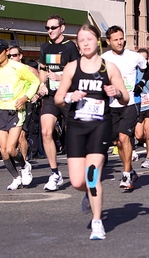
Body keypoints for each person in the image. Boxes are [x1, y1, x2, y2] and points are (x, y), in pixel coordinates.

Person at [55, 24, 129, 240]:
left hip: (100, 125)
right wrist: (70, 97)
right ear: (78, 45)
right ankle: (89, 194)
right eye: (81, 40)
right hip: (76, 126)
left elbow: (124, 97)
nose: (85, 43)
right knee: (78, 182)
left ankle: (97, 222)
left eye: (89, 38)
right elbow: (59, 97)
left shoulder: (109, 68)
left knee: (91, 174)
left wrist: (115, 92)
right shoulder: (71, 67)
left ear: (97, 41)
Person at [0, 39, 39, 189]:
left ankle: (25, 166)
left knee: (11, 148)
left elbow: (34, 82)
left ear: (7, 51)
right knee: (3, 151)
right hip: (2, 110)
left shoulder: (18, 67)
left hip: (16, 110)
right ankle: (16, 178)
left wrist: (25, 98)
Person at [101, 25, 148, 190]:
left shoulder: (134, 56)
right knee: (118, 142)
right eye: (116, 40)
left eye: (121, 39)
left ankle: (127, 174)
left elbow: (147, 69)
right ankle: (131, 171)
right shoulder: (103, 58)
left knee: (123, 137)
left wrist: (141, 83)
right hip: (112, 104)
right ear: (108, 41)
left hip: (131, 102)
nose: (120, 42)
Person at [38, 14, 81, 191]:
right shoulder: (45, 47)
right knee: (46, 131)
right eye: (47, 28)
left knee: (75, 134)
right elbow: (42, 68)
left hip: (68, 95)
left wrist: (61, 76)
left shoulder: (70, 46)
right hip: (50, 96)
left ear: (62, 28)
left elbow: (78, 70)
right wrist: (42, 84)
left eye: (53, 28)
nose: (50, 31)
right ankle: (55, 173)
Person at [8, 45, 40, 162]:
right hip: (11, 105)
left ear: (20, 56)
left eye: (14, 55)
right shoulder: (7, 71)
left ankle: (25, 162)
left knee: (22, 135)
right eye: (9, 56)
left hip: (27, 104)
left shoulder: (29, 69)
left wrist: (35, 95)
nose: (11, 57)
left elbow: (39, 83)